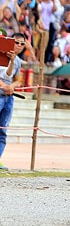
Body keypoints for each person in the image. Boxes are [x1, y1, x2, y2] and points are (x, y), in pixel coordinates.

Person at [0, 33, 26, 170]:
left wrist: (12, 86)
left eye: (22, 44)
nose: (19, 46)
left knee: (3, 130)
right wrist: (4, 85)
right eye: (17, 42)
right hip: (0, 92)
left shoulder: (17, 61)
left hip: (8, 97)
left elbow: (17, 79)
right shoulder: (1, 54)